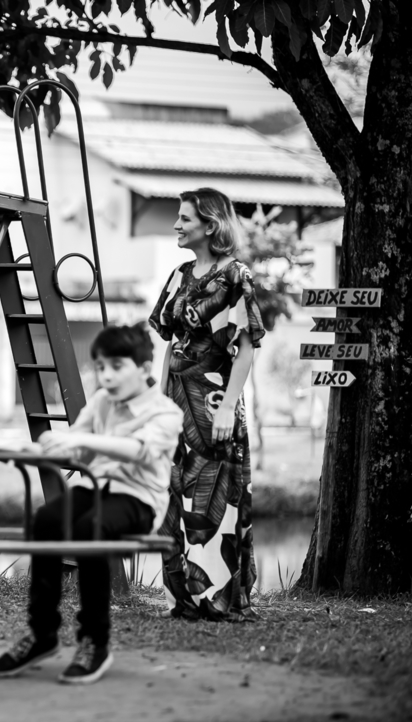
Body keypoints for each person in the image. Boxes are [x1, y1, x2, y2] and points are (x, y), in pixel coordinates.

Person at [0, 324, 182, 684]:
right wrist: (37, 447)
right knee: (47, 519)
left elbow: (139, 450)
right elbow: (77, 445)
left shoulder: (166, 413)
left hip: (138, 500)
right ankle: (42, 633)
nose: (106, 376)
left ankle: (95, 641)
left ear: (143, 369)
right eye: (100, 367)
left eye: (116, 366)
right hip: (95, 487)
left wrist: (91, 442)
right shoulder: (101, 402)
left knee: (89, 530)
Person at [148, 187, 265, 621]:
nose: (177, 225)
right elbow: (171, 343)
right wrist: (161, 403)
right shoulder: (179, 275)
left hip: (214, 399)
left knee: (217, 498)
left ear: (210, 225)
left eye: (185, 218)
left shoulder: (236, 275)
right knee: (174, 495)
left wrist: (226, 406)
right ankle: (184, 597)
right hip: (176, 401)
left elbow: (247, 347)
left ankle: (221, 598)